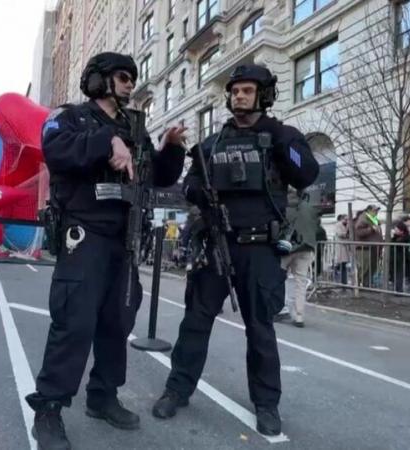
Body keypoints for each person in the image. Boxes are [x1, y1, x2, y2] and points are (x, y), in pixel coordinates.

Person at [25, 52, 186, 449]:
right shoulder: (70, 117)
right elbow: (56, 151)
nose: (130, 83)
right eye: (122, 77)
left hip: (124, 240)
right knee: (74, 322)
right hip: (84, 235)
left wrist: (170, 149)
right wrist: (105, 139)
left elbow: (157, 177)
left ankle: (103, 396)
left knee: (117, 323)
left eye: (133, 78)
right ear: (99, 80)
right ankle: (49, 408)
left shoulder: (135, 128)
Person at [150, 63, 319, 436]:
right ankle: (177, 390)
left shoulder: (282, 137)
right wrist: (200, 196)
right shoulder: (212, 144)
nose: (239, 96)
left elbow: (306, 173)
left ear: (262, 95)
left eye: (247, 90)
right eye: (235, 90)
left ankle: (266, 404)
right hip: (217, 245)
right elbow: (190, 184)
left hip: (260, 250)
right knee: (195, 323)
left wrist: (279, 139)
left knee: (260, 330)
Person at [280, 191, 319, 328]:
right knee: (300, 282)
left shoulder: (282, 206)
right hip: (307, 247)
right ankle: (299, 316)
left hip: (287, 247)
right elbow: (317, 227)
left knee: (279, 278)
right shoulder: (309, 207)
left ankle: (281, 308)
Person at [355, 205, 383, 287]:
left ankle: (367, 284)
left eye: (377, 211)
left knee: (372, 267)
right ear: (368, 210)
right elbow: (359, 232)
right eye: (374, 210)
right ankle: (360, 284)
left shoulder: (374, 219)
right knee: (365, 267)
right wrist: (371, 229)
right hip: (366, 248)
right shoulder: (363, 218)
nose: (376, 212)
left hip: (374, 247)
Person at [334, 214, 350, 285]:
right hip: (341, 247)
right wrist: (347, 233)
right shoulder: (338, 225)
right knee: (341, 264)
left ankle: (344, 281)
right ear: (342, 219)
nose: (347, 221)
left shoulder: (345, 225)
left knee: (343, 264)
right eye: (346, 219)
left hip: (345, 247)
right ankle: (341, 280)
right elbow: (340, 234)